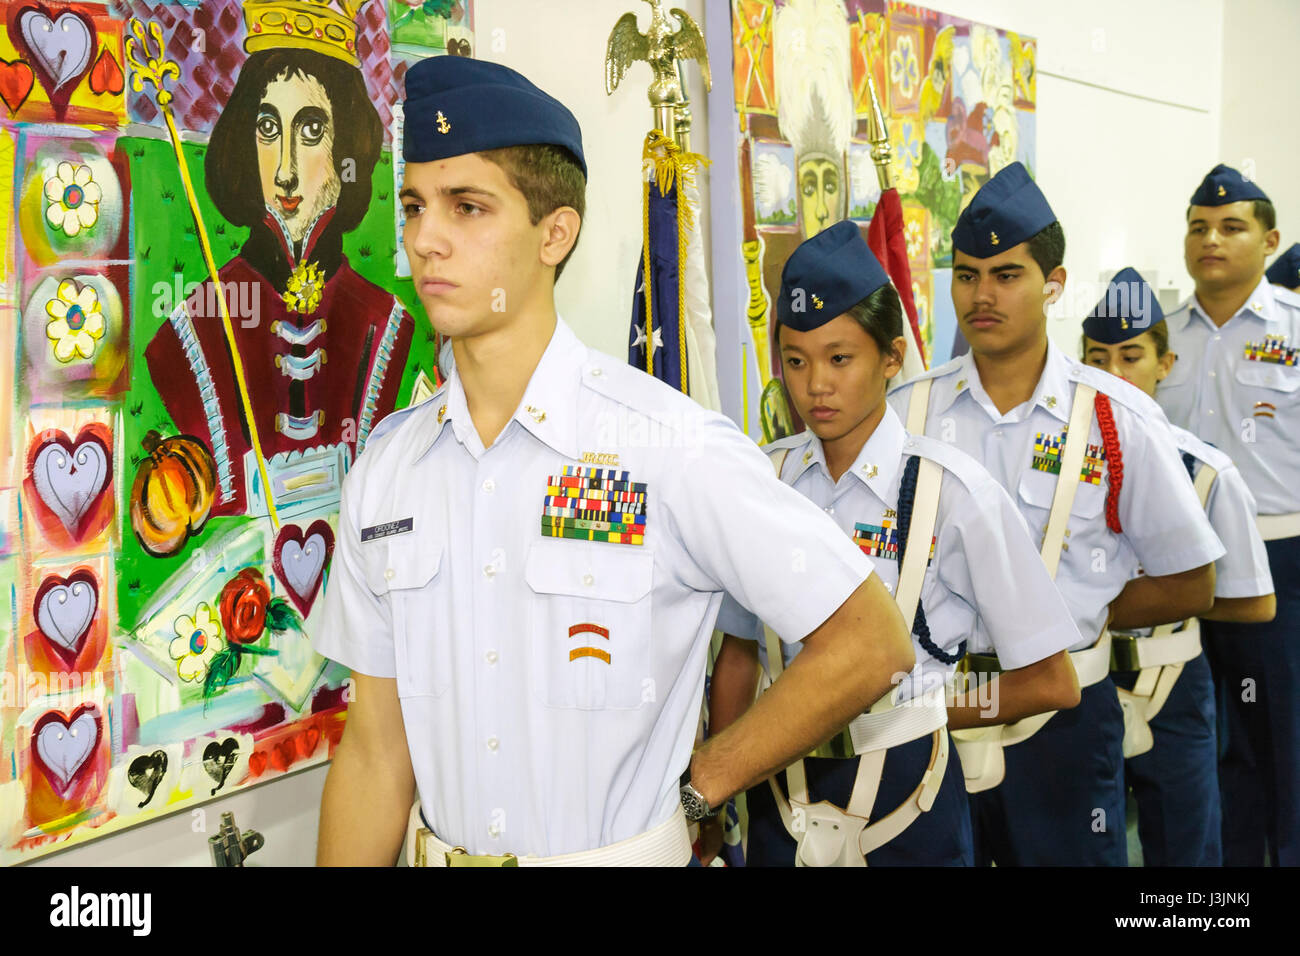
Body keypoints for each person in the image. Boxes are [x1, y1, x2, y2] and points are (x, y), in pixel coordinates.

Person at [310, 56, 916, 866]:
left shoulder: (665, 447)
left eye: (468, 207)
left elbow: (871, 641)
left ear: (554, 233)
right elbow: (375, 754)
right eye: (415, 206)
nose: (425, 239)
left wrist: (705, 781)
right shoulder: (388, 470)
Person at [701, 220, 1083, 867]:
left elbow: (1051, 681)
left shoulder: (953, 494)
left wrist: (921, 712)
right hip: (778, 797)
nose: (815, 384)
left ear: (891, 357)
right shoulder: (762, 481)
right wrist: (717, 794)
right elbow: (739, 652)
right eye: (795, 360)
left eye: (839, 358)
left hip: (912, 802)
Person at [887, 162, 1225, 866]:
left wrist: (1075, 614)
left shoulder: (1111, 416)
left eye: (1007, 275)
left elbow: (1192, 583)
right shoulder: (908, 413)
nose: (982, 295)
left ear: (1054, 284)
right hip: (940, 709)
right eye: (967, 274)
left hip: (1064, 714)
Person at [145, 19, 416, 521]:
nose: (286, 169)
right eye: (269, 129)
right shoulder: (194, 328)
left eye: (312, 130)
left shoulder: (384, 322)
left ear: (346, 150)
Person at [1082, 266, 1275, 866]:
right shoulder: (1053, 465)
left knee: (1185, 846)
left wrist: (1164, 595)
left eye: (1132, 356)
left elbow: (1256, 600)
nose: (1114, 375)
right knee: (1089, 838)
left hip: (1173, 679)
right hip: (1082, 680)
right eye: (1097, 357)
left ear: (1165, 364)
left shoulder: (1205, 470)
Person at [1158, 165, 1300, 866]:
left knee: (1283, 737)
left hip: (1282, 560)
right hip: (1183, 564)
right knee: (1197, 737)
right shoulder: (1157, 340)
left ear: (1269, 239)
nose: (1210, 238)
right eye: (1198, 226)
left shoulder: (1295, 330)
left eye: (1231, 226)